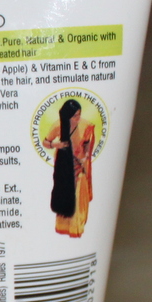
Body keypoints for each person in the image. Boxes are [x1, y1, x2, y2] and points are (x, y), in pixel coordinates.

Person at [43, 98, 95, 238]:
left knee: (78, 197)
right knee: (64, 194)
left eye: (79, 115)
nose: (78, 118)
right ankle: (64, 227)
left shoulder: (85, 126)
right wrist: (56, 145)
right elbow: (46, 142)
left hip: (79, 167)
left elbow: (87, 145)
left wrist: (84, 157)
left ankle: (76, 228)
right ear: (67, 116)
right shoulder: (58, 125)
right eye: (75, 116)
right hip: (64, 167)